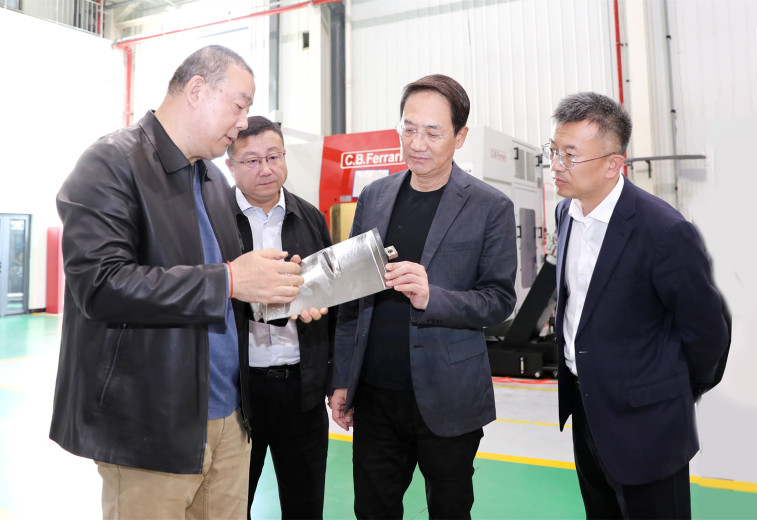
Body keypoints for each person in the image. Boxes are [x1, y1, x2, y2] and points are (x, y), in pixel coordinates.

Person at [49, 45, 308, 519]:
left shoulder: (211, 179)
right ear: (196, 90)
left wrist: (278, 293)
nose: (242, 123)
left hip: (229, 420)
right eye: (239, 105)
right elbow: (100, 285)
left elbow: (226, 286)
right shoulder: (110, 163)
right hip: (151, 426)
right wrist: (231, 280)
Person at [329, 74, 517, 519]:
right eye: (409, 128)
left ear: (460, 136)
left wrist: (434, 296)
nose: (417, 143)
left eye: (432, 132)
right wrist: (342, 378)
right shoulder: (375, 197)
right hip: (375, 395)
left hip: (448, 396)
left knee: (449, 509)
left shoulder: (490, 206)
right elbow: (353, 297)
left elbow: (498, 300)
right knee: (372, 509)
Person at [549, 92, 729, 518]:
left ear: (613, 163)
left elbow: (707, 332)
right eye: (553, 151)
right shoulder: (565, 214)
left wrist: (672, 392)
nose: (556, 165)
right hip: (587, 410)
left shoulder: (664, 230)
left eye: (570, 155)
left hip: (649, 426)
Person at [226, 116, 335, 519]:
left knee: (305, 506)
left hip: (301, 391)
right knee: (230, 506)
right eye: (252, 160)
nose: (265, 169)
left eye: (273, 156)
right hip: (237, 395)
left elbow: (334, 303)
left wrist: (334, 379)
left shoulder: (311, 218)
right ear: (231, 166)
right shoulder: (216, 222)